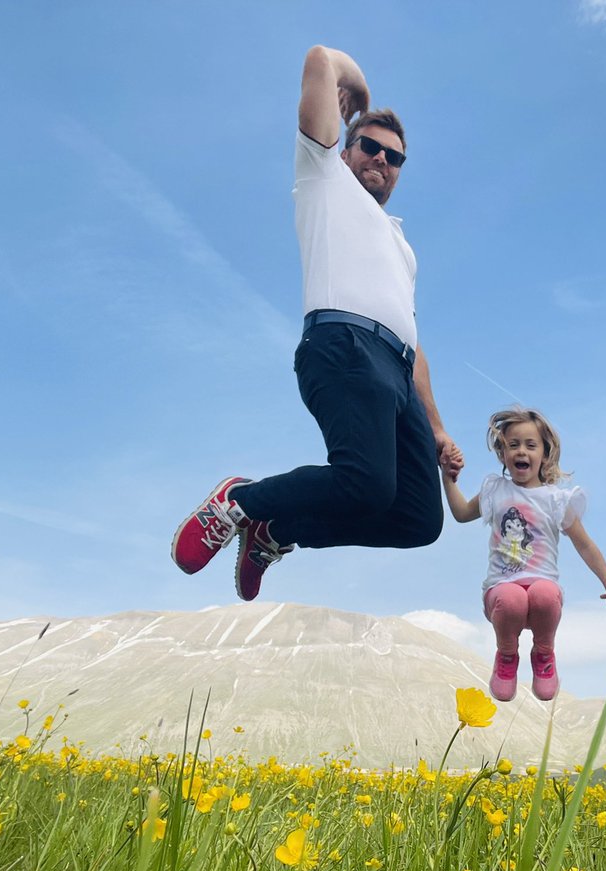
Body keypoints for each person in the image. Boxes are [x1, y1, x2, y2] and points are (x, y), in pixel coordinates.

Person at [171, 46, 462, 600]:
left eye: (394, 157)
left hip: (397, 368)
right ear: (347, 149)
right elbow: (319, 60)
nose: (380, 159)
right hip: (344, 343)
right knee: (367, 484)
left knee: (419, 520)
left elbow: (414, 344)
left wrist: (438, 425)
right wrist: (361, 94)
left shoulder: (402, 245)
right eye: (370, 147)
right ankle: (242, 501)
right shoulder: (323, 178)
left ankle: (278, 530)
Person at [442, 409, 606, 702]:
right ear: (502, 454)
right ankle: (507, 655)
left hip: (542, 593)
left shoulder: (556, 500)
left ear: (544, 454)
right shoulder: (495, 490)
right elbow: (462, 513)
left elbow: (585, 545)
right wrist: (448, 478)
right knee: (512, 598)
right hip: (502, 591)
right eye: (513, 445)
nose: (521, 451)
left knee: (545, 593)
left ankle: (543, 653)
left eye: (530, 445)